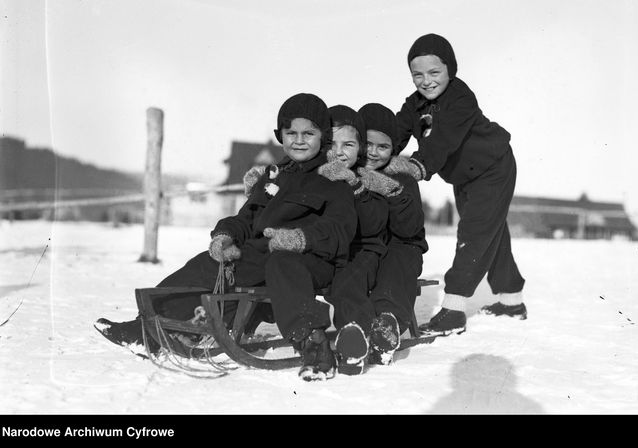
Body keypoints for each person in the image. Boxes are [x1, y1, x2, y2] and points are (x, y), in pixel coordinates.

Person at [95, 93, 358, 382]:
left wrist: (297, 239)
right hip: (263, 255)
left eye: (308, 133)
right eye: (290, 133)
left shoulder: (333, 180)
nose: (298, 140)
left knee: (282, 263)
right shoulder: (274, 176)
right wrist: (226, 235)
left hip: (312, 261)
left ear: (323, 136)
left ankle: (314, 344)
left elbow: (339, 230)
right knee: (207, 265)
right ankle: (147, 328)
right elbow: (247, 217)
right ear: (280, 135)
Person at [383, 33, 526, 336]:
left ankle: (454, 308)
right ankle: (512, 301)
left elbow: (443, 140)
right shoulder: (415, 105)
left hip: (492, 168)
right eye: (417, 75)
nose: (427, 81)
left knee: (474, 233)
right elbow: (395, 133)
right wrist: (373, 155)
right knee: (492, 232)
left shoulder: (461, 97)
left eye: (434, 73)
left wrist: (418, 165)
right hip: (465, 176)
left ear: (451, 70)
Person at [316, 105, 390, 375]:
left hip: (362, 250)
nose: (339, 151)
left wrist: (356, 189)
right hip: (326, 251)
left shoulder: (368, 177)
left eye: (348, 144)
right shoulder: (317, 173)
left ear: (360, 148)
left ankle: (353, 335)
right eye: (331, 143)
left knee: (347, 284)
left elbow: (375, 223)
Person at [356, 102, 428, 358]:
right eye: (367, 144)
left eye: (383, 146)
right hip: (367, 248)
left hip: (401, 246)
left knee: (397, 259)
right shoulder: (348, 174)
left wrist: (388, 190)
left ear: (394, 149)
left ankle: (388, 322)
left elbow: (410, 227)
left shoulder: (403, 179)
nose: (374, 153)